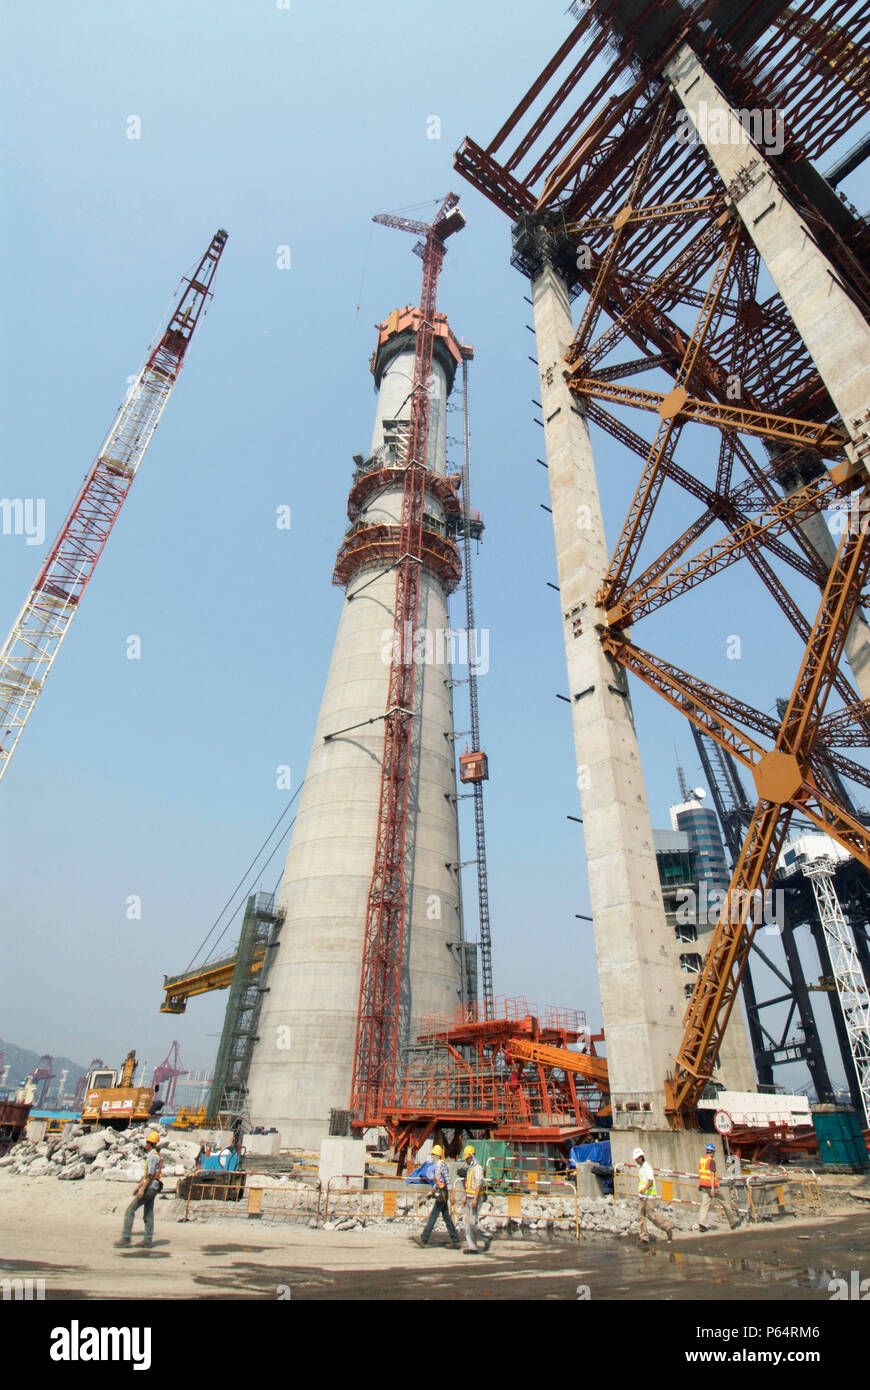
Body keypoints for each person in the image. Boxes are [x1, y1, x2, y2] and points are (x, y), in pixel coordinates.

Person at [115, 1129, 163, 1249]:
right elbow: (148, 1175)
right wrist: (138, 1186)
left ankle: (126, 1238)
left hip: (150, 1187)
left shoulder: (153, 1157)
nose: (145, 1144)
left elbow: (150, 1175)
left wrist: (142, 1189)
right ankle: (148, 1240)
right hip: (153, 1186)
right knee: (148, 1213)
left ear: (151, 1144)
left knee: (130, 1209)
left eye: (147, 1142)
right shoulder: (154, 1156)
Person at [420, 1144, 460, 1248]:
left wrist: (451, 1196)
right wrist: (432, 1192)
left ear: (437, 1155)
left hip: (442, 1193)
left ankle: (425, 1238)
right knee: (446, 1217)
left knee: (433, 1216)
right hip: (439, 1192)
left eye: (433, 1155)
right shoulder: (437, 1166)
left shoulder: (442, 1165)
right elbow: (438, 1182)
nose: (432, 1157)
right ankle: (455, 1238)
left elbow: (447, 1181)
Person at [633, 1146, 673, 1244]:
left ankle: (667, 1227)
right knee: (640, 1216)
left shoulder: (648, 1168)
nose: (636, 1161)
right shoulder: (641, 1168)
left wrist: (645, 1189)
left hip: (649, 1196)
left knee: (652, 1216)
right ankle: (644, 1237)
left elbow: (650, 1181)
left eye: (637, 1159)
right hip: (642, 1196)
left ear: (640, 1157)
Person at [698, 1142, 740, 1231]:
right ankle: (732, 1222)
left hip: (704, 1185)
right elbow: (712, 1174)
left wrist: (700, 1184)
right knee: (724, 1202)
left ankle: (701, 1223)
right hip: (712, 1186)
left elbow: (701, 1172)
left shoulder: (702, 1160)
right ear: (713, 1152)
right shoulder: (711, 1161)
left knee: (704, 1205)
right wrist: (713, 1188)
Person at [460, 1144, 488, 1255]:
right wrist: (465, 1197)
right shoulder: (471, 1168)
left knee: (473, 1222)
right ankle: (472, 1246)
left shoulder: (477, 1168)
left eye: (467, 1158)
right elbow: (469, 1185)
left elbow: (478, 1184)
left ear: (471, 1157)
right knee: (467, 1222)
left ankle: (487, 1236)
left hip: (475, 1199)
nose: (466, 1161)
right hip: (469, 1198)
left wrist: (475, 1198)